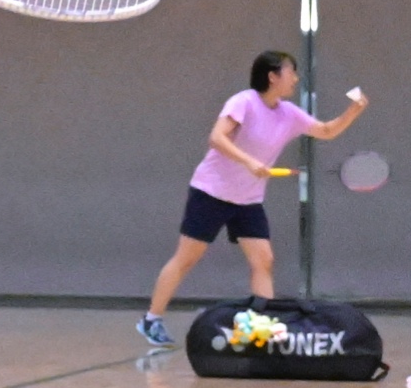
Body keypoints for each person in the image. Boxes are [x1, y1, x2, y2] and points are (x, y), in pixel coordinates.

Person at [137, 53, 368, 348]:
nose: (295, 78)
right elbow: (217, 138)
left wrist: (354, 109)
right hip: (211, 192)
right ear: (273, 76)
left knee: (264, 260)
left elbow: (326, 131)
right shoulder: (243, 102)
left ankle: (262, 328)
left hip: (248, 200)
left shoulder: (289, 113)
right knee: (186, 258)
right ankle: (152, 319)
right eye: (291, 72)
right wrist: (249, 162)